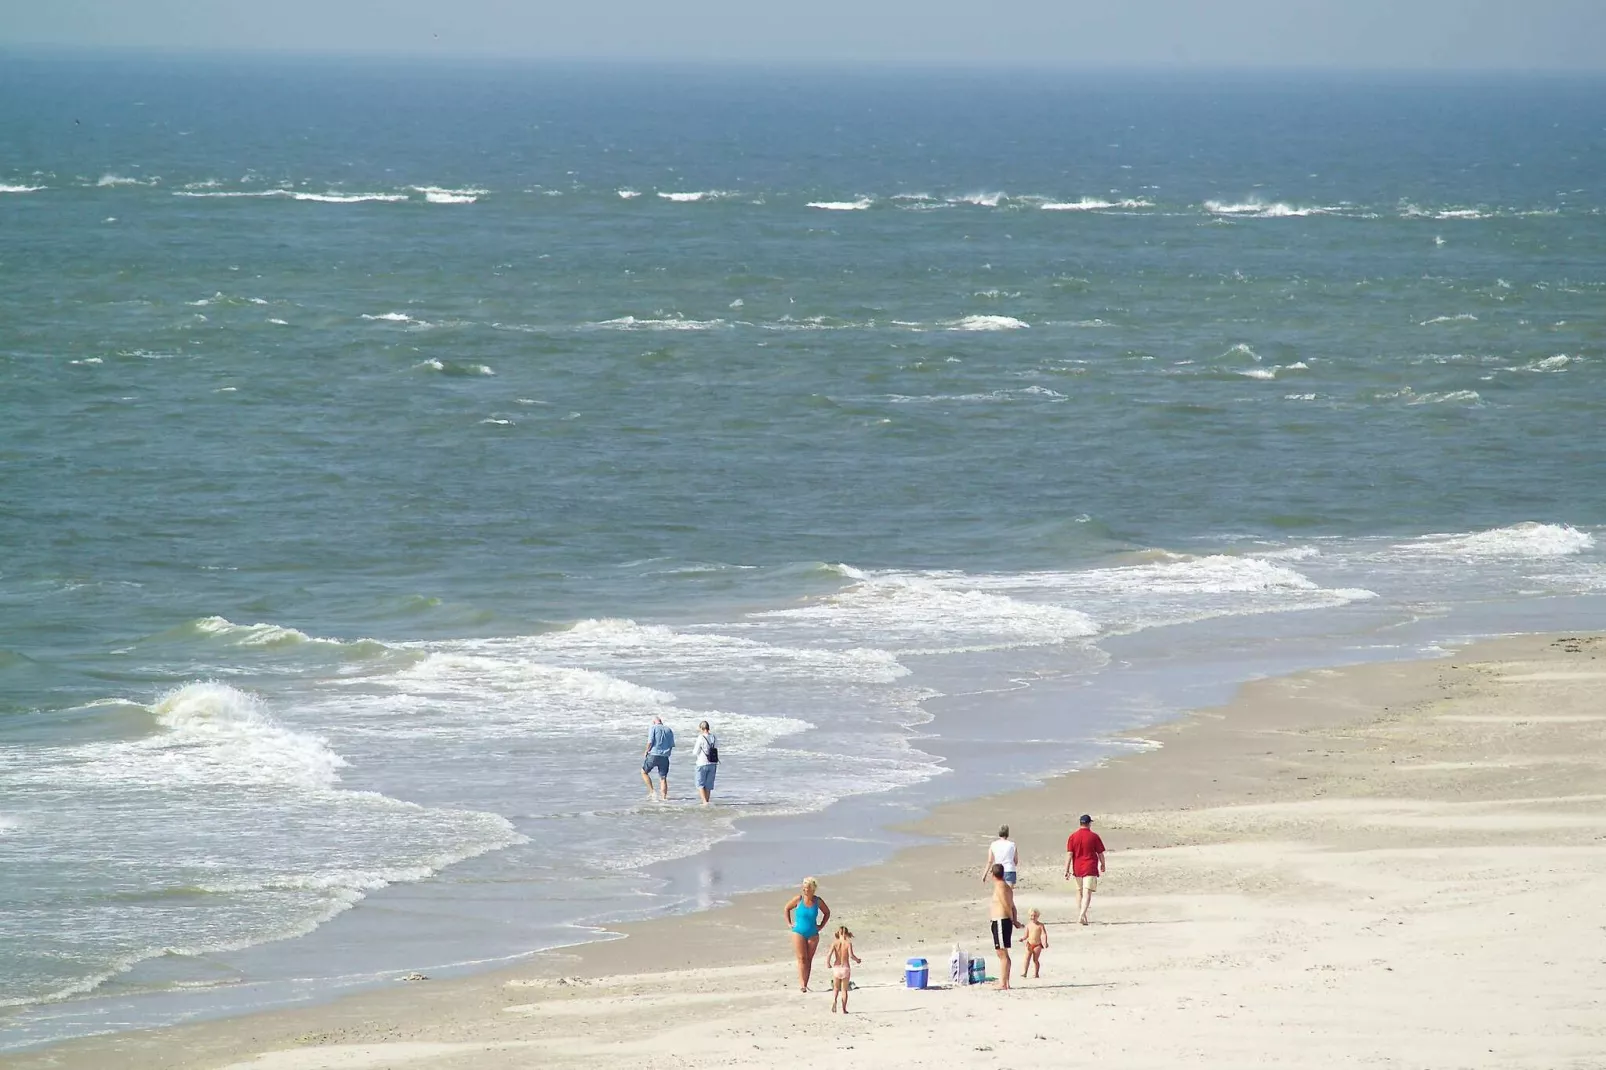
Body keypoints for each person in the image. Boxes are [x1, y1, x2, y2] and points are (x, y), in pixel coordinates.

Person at [784, 877, 830, 993]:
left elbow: (827, 913)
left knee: (809, 959)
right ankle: (802, 985)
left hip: (813, 933)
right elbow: (787, 908)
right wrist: (789, 924)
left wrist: (821, 926)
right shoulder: (798, 899)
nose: (805, 890)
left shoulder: (817, 901)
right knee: (801, 958)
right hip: (798, 932)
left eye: (807, 888)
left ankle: (806, 983)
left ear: (813, 889)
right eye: (804, 888)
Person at [1063, 813, 1107, 925]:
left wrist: (1066, 869)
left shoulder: (1073, 836)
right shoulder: (1094, 836)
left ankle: (1082, 916)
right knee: (1087, 892)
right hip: (1090, 867)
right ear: (1089, 824)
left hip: (1077, 868)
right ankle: (1082, 915)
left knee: (1079, 892)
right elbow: (1100, 853)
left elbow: (1069, 854)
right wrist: (1103, 864)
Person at [987, 862, 1023, 990]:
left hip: (1001, 921)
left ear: (993, 874)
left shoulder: (1001, 887)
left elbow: (1007, 905)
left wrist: (1013, 920)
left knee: (1002, 953)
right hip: (1001, 921)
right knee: (1002, 953)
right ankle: (1005, 982)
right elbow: (1013, 906)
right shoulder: (1005, 886)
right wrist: (1015, 919)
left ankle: (1003, 983)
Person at [826, 925, 861, 1013]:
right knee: (844, 990)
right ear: (846, 933)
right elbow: (851, 955)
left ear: (838, 933)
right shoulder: (848, 943)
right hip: (845, 968)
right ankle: (844, 1009)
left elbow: (829, 954)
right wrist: (857, 960)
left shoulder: (835, 943)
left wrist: (828, 963)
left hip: (836, 968)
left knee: (836, 988)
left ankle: (834, 1000)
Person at [640, 716, 675, 801]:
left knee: (644, 772)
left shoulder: (653, 728)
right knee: (663, 778)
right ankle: (664, 798)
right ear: (661, 721)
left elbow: (650, 741)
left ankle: (652, 791)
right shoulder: (668, 730)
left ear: (654, 722)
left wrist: (646, 751)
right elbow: (671, 745)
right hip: (664, 756)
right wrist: (667, 753)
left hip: (653, 754)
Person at [693, 720, 718, 805]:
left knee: (700, 784)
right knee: (708, 785)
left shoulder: (701, 737)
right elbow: (716, 747)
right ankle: (707, 801)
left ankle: (704, 802)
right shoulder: (714, 737)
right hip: (713, 763)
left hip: (702, 763)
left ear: (702, 728)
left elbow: (696, 751)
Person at [1022, 908, 1049, 979]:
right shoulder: (1028, 925)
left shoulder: (1040, 925)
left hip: (1037, 945)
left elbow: (1044, 934)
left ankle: (1036, 973)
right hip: (1029, 944)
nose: (1033, 917)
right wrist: (1022, 938)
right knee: (1027, 958)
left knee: (1035, 960)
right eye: (1031, 916)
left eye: (1034, 916)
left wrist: (1045, 942)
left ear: (1038, 916)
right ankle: (1025, 972)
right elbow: (1026, 935)